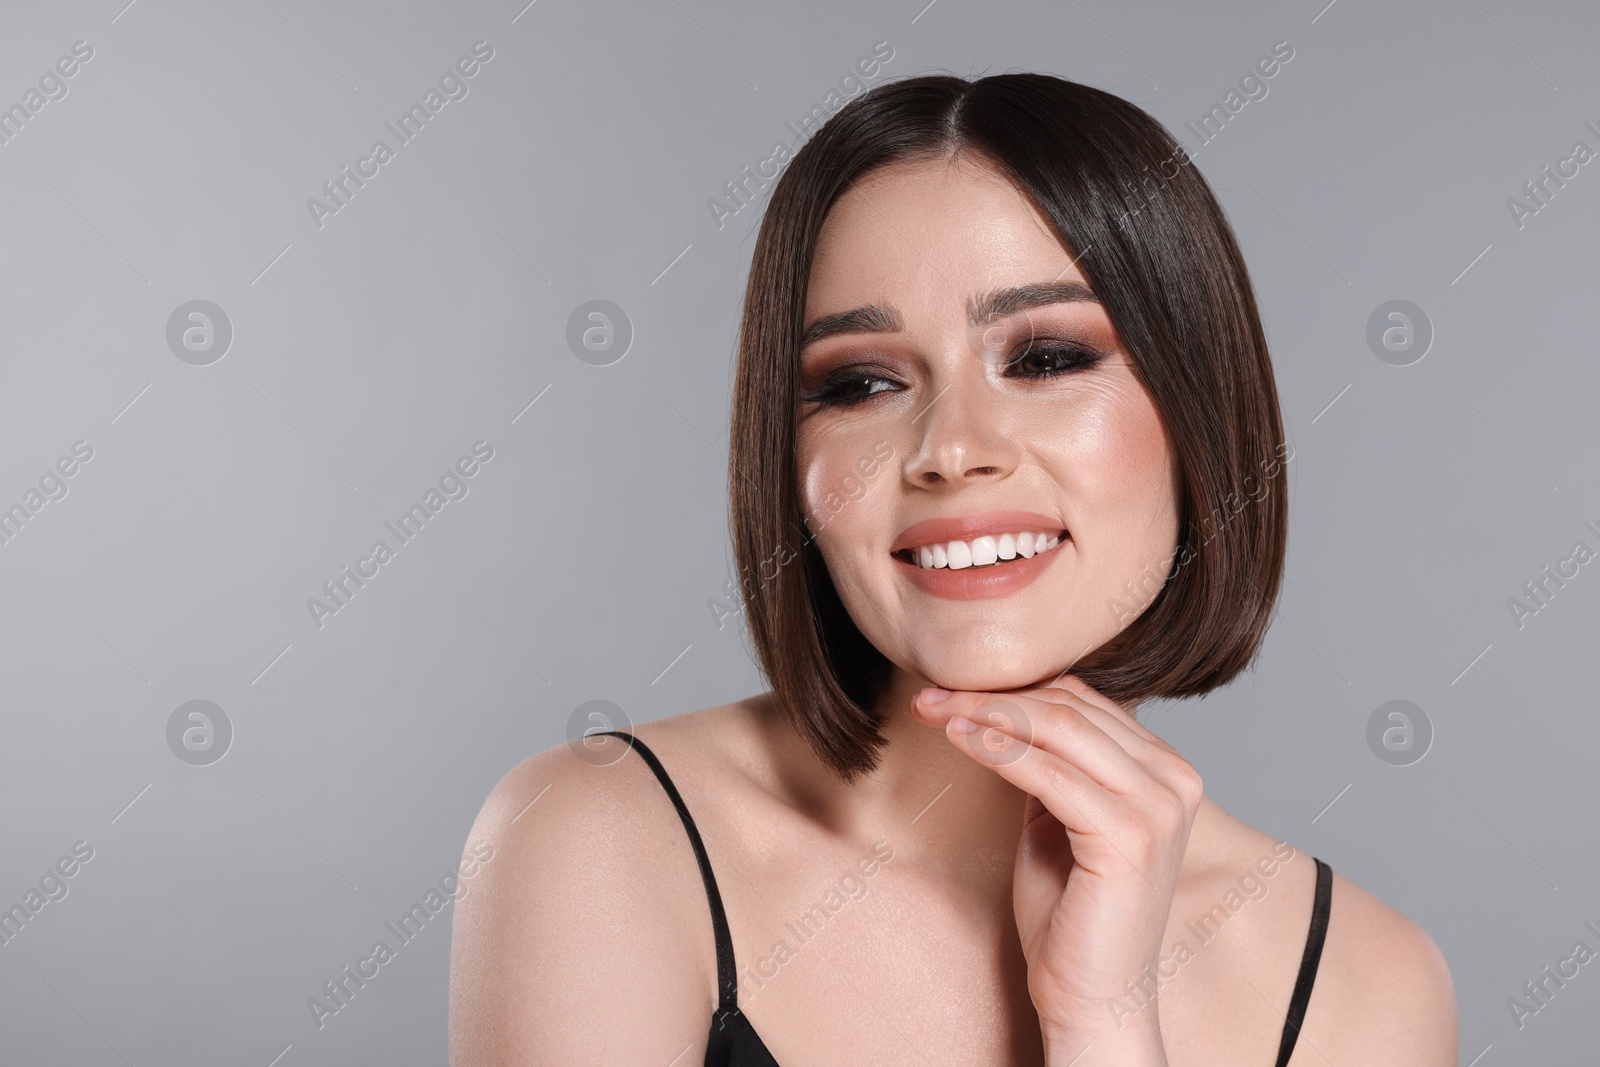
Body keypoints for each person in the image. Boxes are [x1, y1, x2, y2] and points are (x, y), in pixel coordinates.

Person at [448, 72, 1457, 1065]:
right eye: (862, 381)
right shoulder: (603, 839)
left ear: (1200, 411)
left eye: (1047, 359)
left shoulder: (1362, 984)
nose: (950, 446)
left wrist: (1103, 1025)